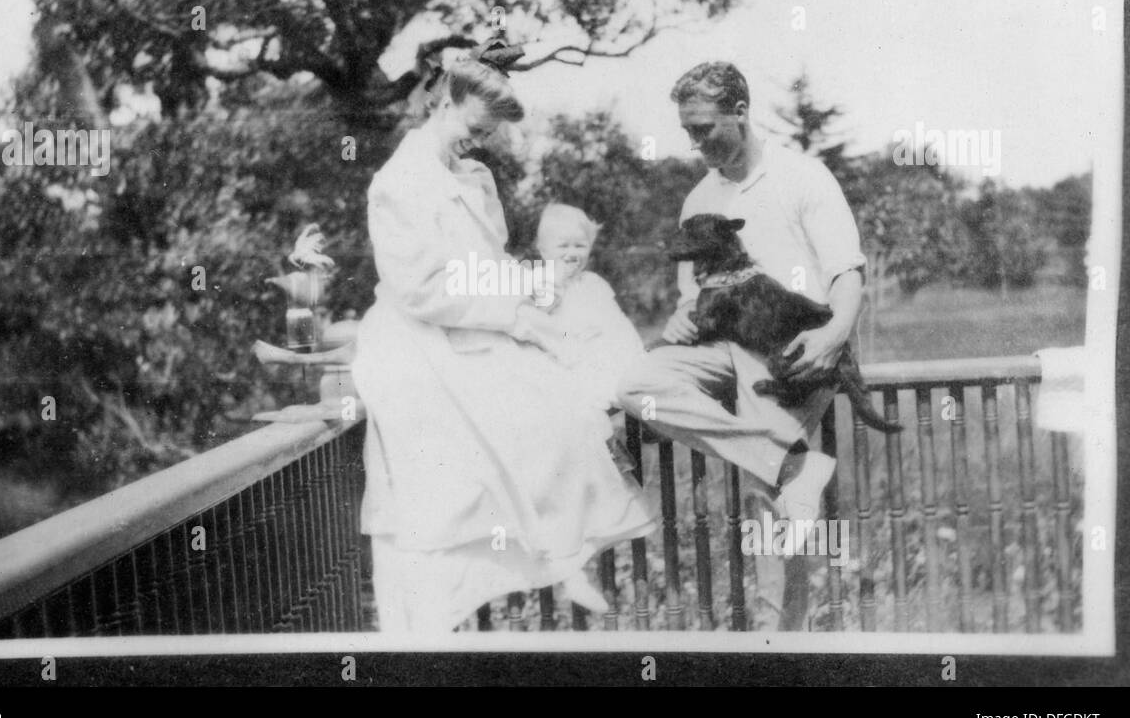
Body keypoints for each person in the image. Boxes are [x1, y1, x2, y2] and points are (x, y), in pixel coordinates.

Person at [352, 55, 656, 633]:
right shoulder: (399, 182)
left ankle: (562, 552)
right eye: (474, 128)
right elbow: (419, 290)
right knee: (478, 455)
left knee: (566, 411)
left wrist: (526, 297)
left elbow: (486, 263)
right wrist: (512, 318)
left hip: (477, 318)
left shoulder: (473, 177)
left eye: (489, 134)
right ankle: (481, 591)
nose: (481, 142)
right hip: (421, 333)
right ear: (442, 102)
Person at [617, 61, 867, 545]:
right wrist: (682, 315)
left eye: (704, 129)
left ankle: (782, 615)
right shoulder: (698, 200)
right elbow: (695, 293)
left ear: (740, 111)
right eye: (688, 131)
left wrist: (834, 336)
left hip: (788, 353)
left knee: (768, 510)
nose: (695, 144)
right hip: (719, 348)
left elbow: (846, 273)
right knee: (636, 384)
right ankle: (794, 465)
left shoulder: (803, 176)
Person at [532, 203, 646, 416]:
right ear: (543, 250)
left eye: (580, 246)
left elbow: (617, 323)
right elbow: (541, 324)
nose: (572, 253)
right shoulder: (541, 283)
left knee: (621, 362)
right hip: (566, 354)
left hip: (601, 351)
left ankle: (638, 400)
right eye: (563, 246)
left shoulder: (594, 283)